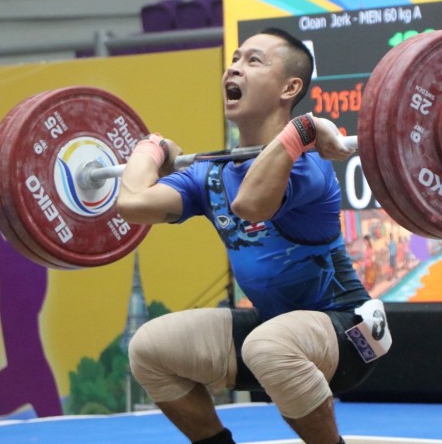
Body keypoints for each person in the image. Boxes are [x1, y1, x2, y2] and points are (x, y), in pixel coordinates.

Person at [117, 28, 390, 444]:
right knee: (150, 349)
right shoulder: (211, 173)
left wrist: (302, 131)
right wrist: (150, 147)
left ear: (289, 88)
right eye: (235, 59)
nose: (234, 68)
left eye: (253, 61)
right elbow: (133, 203)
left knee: (268, 345)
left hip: (348, 336)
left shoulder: (308, 167)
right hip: (272, 330)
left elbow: (250, 204)